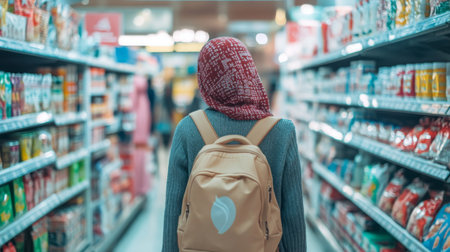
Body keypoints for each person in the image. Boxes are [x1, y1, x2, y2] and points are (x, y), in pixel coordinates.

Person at [162, 37, 306, 252]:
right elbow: (293, 218)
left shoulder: (188, 128)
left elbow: (174, 213)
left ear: (205, 79)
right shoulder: (282, 131)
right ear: (249, 71)